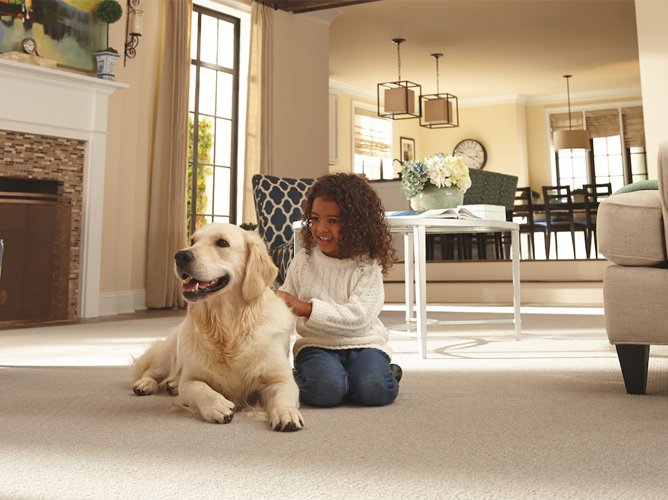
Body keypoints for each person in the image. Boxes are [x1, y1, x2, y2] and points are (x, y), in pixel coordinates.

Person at [276, 173, 402, 408]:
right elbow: (283, 308)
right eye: (314, 218)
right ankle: (340, 381)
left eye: (333, 221)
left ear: (356, 224)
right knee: (326, 392)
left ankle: (384, 374)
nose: (321, 228)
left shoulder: (367, 265)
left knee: (375, 391)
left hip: (364, 343)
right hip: (316, 345)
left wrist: (305, 308)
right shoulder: (303, 260)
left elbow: (359, 317)